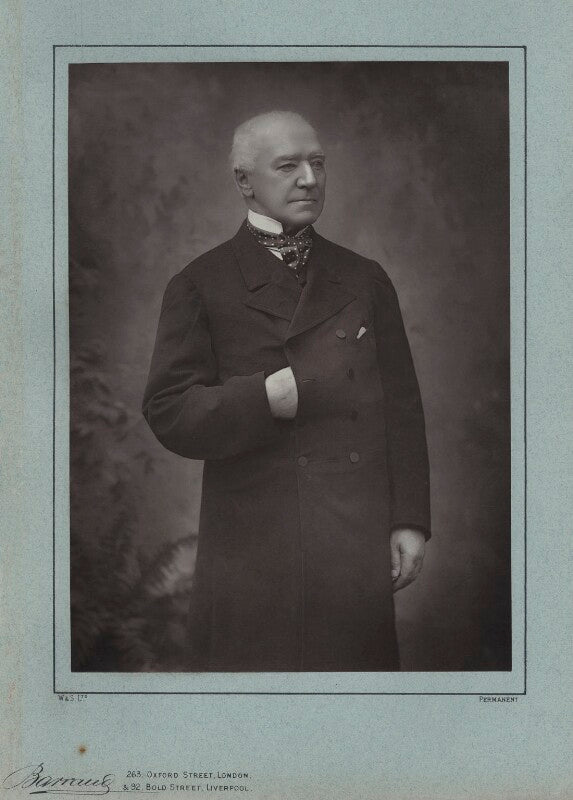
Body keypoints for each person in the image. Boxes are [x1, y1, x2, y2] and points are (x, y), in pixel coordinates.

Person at [142, 110, 430, 671]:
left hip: (351, 538)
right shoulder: (199, 283)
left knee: (351, 702)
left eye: (318, 163)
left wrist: (409, 520)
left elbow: (402, 407)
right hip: (251, 545)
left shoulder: (365, 278)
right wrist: (265, 397)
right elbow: (168, 410)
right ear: (244, 181)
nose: (309, 179)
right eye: (288, 165)